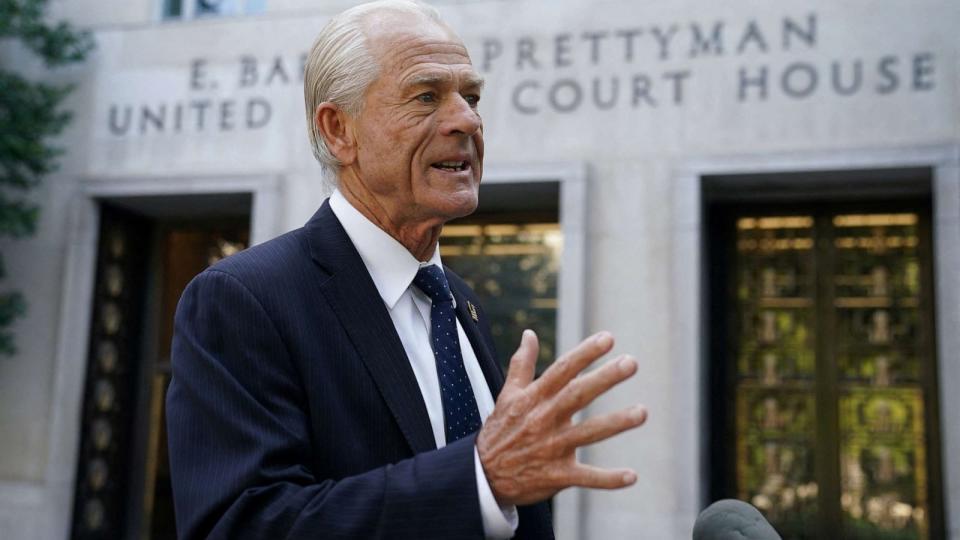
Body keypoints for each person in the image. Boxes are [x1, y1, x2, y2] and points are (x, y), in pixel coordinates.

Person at [165, 1, 648, 538]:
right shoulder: (244, 299)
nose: (466, 120)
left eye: (471, 96)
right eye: (426, 97)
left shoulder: (457, 302)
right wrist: (478, 478)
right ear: (338, 130)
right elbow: (240, 526)